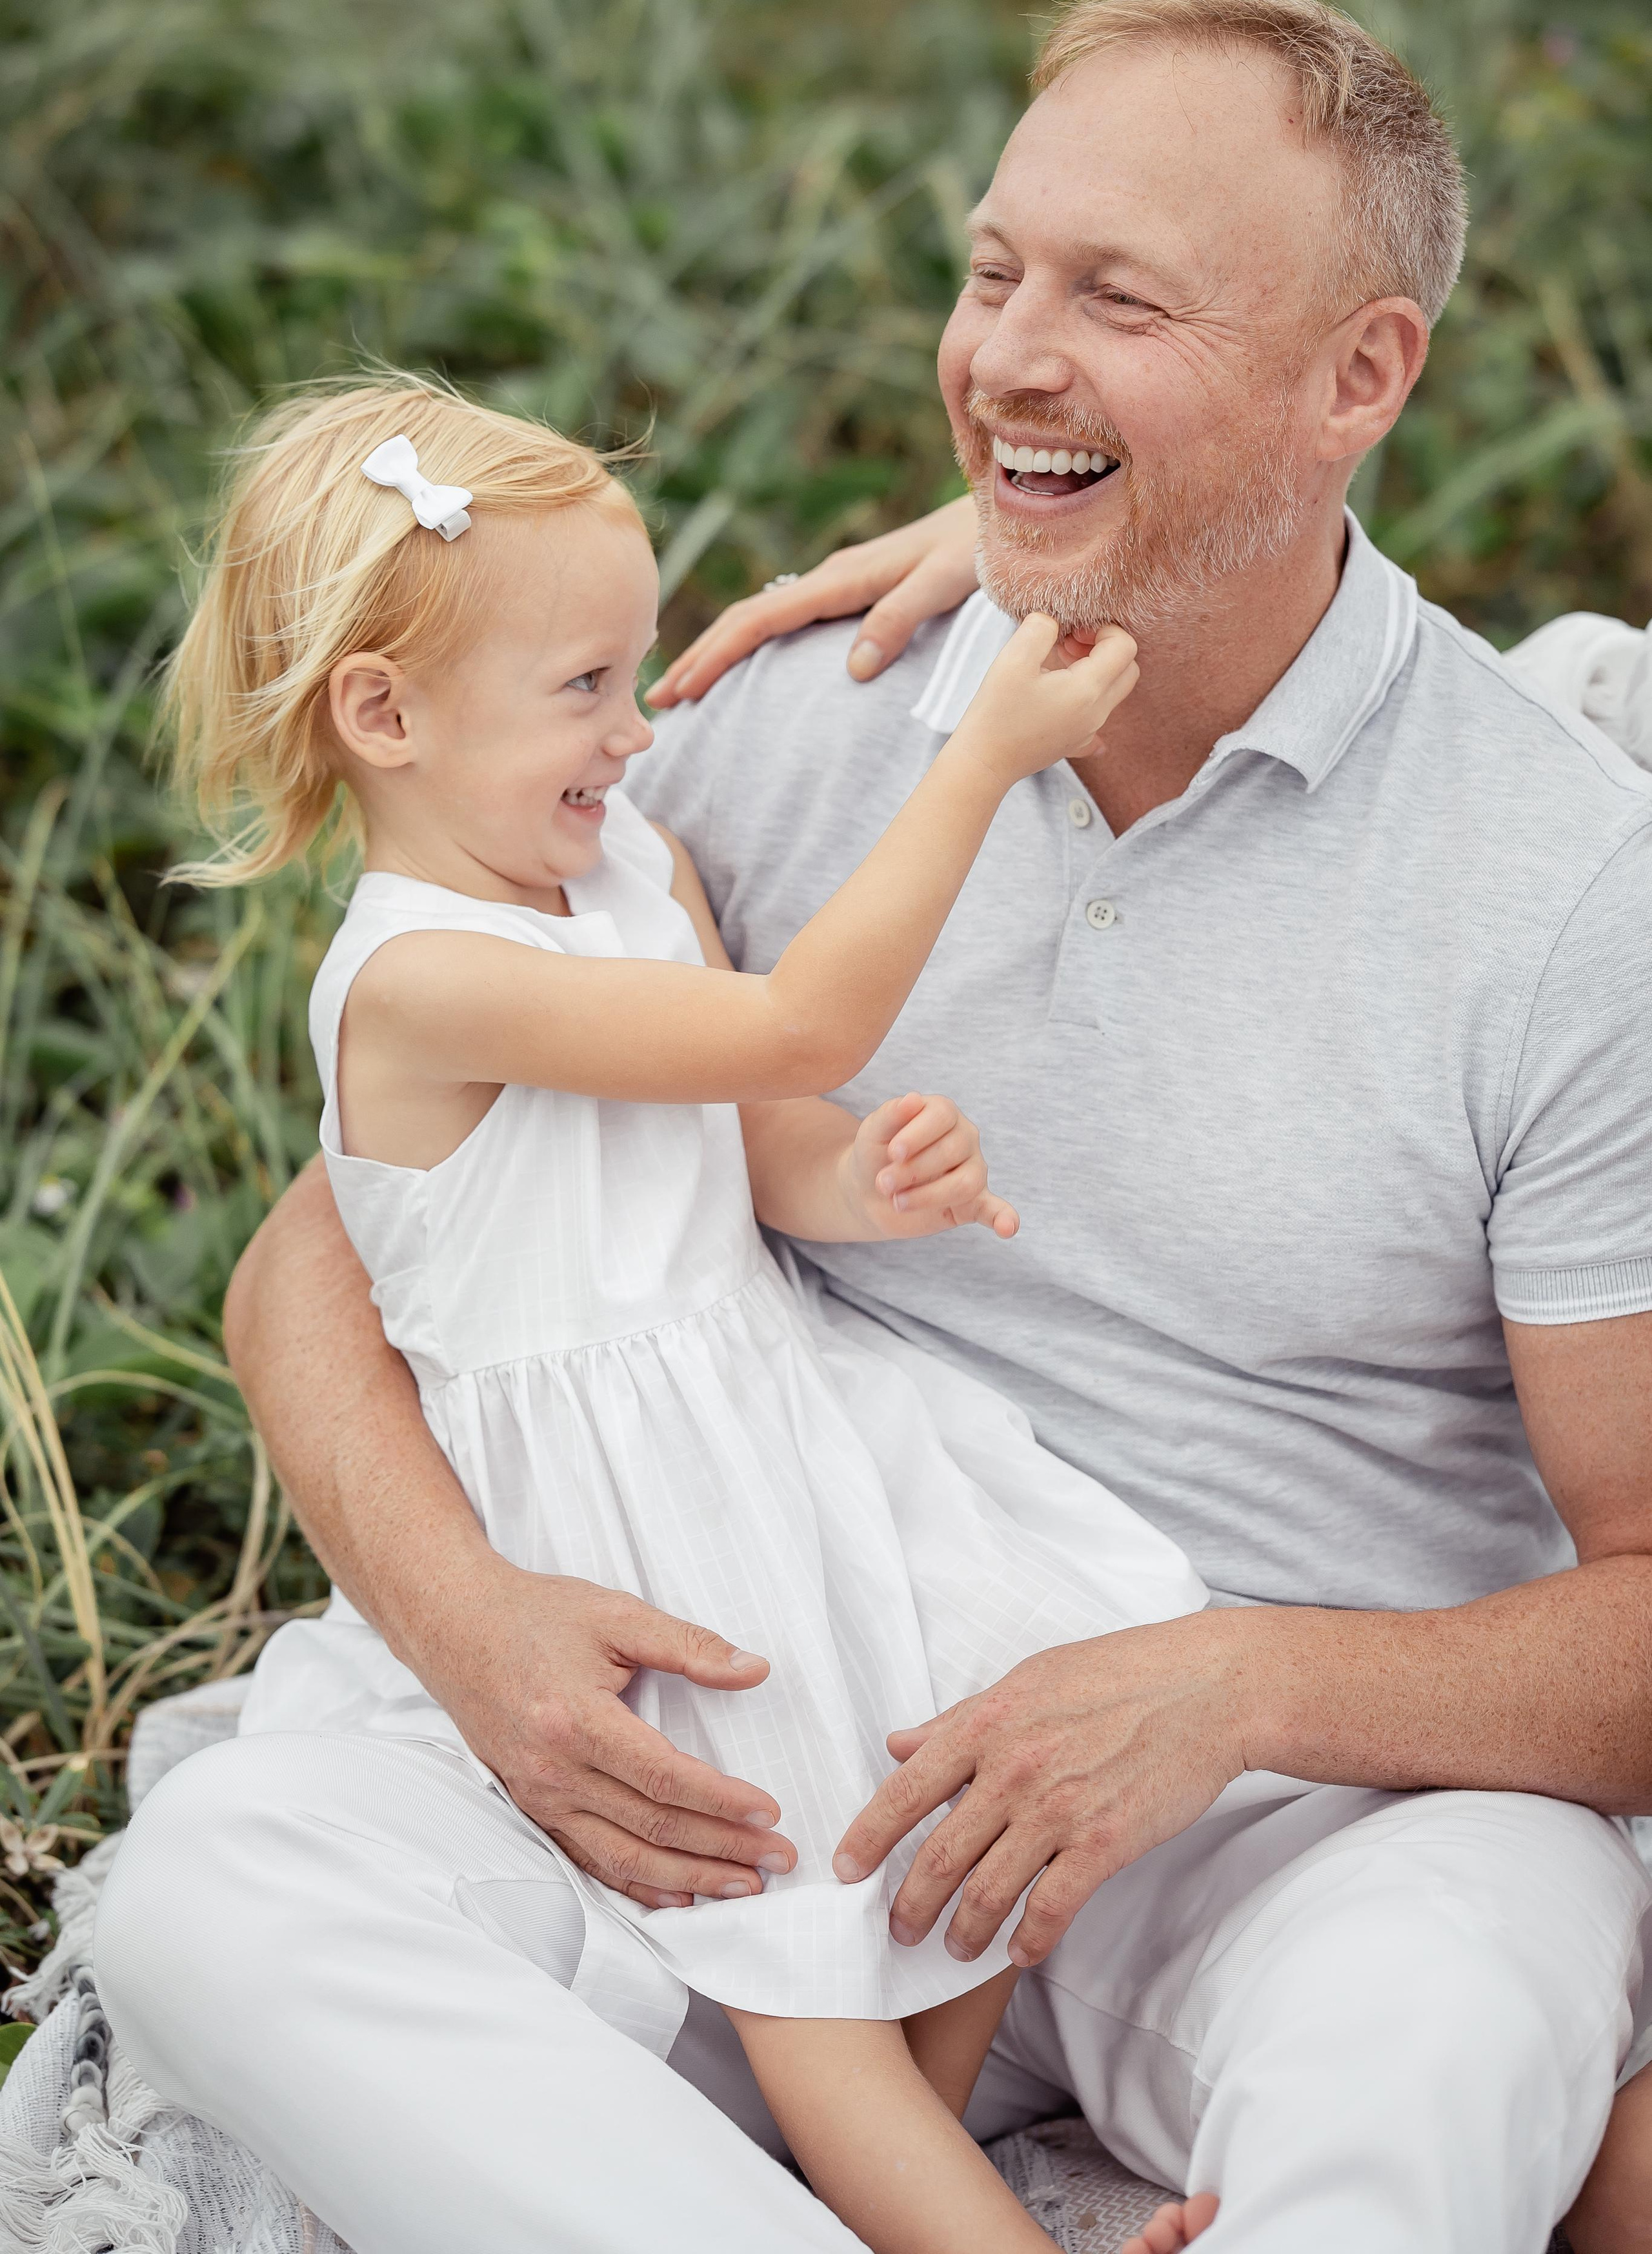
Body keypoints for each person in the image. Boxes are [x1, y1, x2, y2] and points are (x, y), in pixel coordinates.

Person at [94, 0, 1652, 2254]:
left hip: (1268, 1818)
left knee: (1467, 2002)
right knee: (215, 1903)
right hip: (744, 1730)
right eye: (995, 270)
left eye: (1117, 297)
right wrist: (471, 1627)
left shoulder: (1569, 892)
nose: (1004, 354)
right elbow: (317, 1265)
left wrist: (1232, 1689)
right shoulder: (779, 721)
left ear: (1361, 377)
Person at [107, 369, 1218, 2254]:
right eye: (584, 689)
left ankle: (898, 2192)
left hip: (786, 1422)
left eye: (635, 675)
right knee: (808, 1975)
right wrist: (978, 765)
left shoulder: (632, 868)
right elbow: (798, 1025)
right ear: (383, 717)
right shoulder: (416, 982)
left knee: (982, 1809)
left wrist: (870, 1182)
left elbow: (765, 1130)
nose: (637, 733)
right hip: (634, 1516)